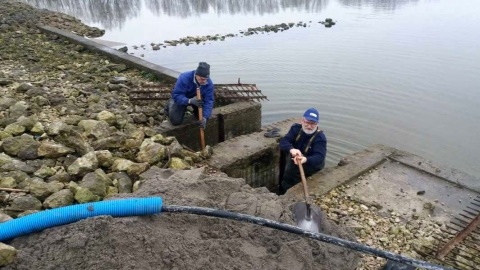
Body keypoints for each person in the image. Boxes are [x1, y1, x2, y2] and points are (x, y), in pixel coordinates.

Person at [278, 108, 327, 195]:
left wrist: (305, 159)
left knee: (308, 189)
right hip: (293, 165)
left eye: (313, 123)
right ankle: (282, 194)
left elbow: (320, 157)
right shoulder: (295, 129)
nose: (310, 126)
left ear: (317, 124)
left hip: (311, 168)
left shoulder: (320, 138)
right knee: (287, 182)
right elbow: (284, 142)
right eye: (307, 122)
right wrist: (292, 149)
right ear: (302, 120)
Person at [164, 62, 215, 129]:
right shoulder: (184, 78)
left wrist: (205, 117)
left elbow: (209, 101)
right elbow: (177, 95)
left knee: (201, 117)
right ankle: (170, 104)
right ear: (196, 74)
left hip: (197, 99)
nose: (203, 81)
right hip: (183, 97)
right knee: (176, 121)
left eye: (205, 79)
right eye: (202, 79)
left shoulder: (208, 83)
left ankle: (198, 112)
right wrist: (189, 101)